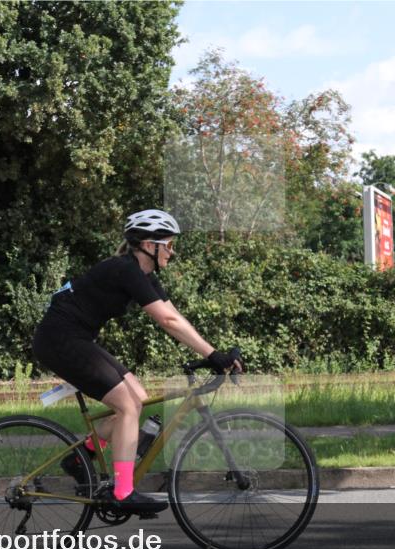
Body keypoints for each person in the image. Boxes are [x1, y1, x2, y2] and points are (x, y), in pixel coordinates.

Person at [31, 209, 243, 515]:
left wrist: (212, 351)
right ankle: (122, 492)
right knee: (127, 407)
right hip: (60, 340)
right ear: (149, 245)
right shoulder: (125, 270)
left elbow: (174, 315)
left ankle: (81, 457)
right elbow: (167, 321)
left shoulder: (143, 275)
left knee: (138, 398)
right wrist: (213, 355)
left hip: (75, 338)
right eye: (168, 245)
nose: (172, 252)